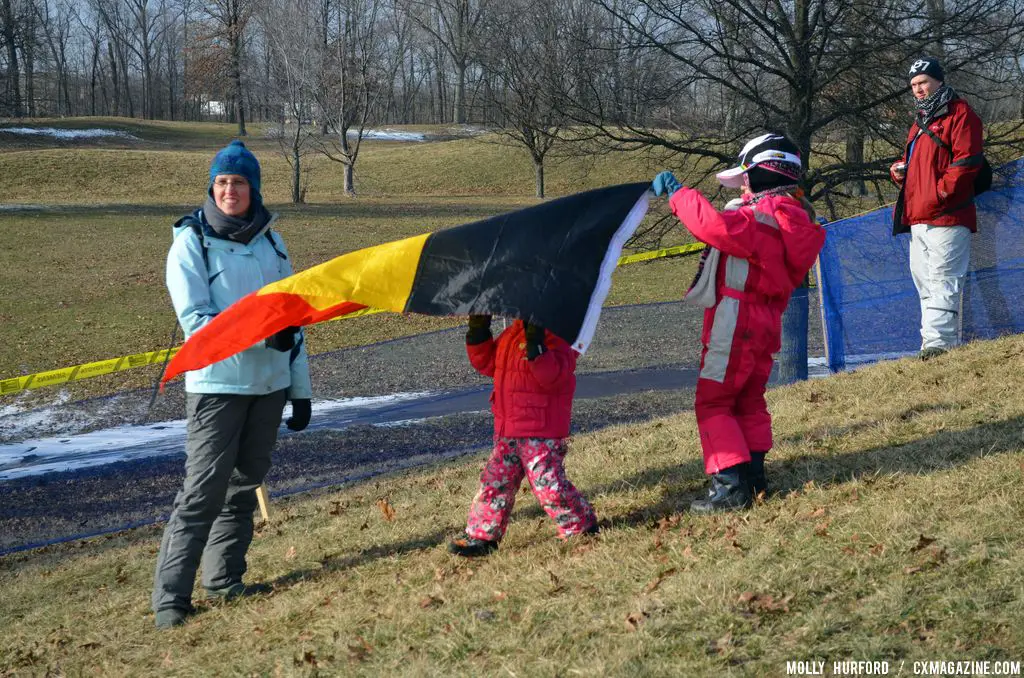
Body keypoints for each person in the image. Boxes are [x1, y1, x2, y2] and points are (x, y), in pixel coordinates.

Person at [152, 140, 313, 629]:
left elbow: (296, 321)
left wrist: (299, 390)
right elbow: (197, 322)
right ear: (211, 187)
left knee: (243, 489)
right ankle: (171, 600)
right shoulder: (191, 242)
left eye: (238, 182)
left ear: (253, 188)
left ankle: (224, 581)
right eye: (221, 182)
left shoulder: (272, 242)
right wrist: (265, 329)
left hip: (268, 385)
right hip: (217, 387)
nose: (229, 190)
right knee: (202, 492)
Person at [651, 133, 825, 513]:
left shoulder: (759, 218)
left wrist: (678, 194)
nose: (742, 186)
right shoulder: (794, 217)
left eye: (746, 178)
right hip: (765, 321)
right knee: (748, 398)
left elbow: (712, 225)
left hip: (737, 319)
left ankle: (730, 489)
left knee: (713, 401)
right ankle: (754, 478)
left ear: (763, 174)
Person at [448, 316, 598, 557]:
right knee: (495, 481)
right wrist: (479, 332)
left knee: (548, 483)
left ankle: (580, 525)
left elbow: (553, 377)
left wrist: (537, 346)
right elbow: (488, 364)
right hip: (508, 428)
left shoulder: (560, 337)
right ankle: (482, 534)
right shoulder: (511, 334)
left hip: (541, 431)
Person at [890, 56, 984, 360]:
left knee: (944, 277)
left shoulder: (960, 114)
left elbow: (967, 162)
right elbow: (924, 167)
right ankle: (930, 343)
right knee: (924, 280)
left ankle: (939, 345)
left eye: (924, 82)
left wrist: (940, 193)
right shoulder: (919, 123)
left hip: (948, 213)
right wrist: (900, 171)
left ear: (939, 81)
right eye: (914, 84)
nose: (918, 89)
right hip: (919, 215)